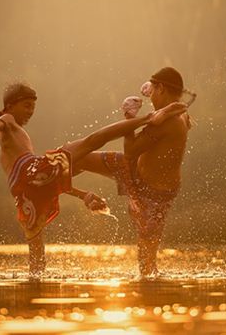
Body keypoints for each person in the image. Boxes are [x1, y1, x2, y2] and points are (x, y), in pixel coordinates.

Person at [0, 82, 187, 278]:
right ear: (10, 106)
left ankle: (33, 293)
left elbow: (46, 184)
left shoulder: (9, 134)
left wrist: (84, 196)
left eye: (32, 107)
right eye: (27, 106)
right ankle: (147, 117)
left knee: (36, 259)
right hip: (32, 170)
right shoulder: (7, 121)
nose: (30, 112)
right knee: (91, 141)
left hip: (24, 192)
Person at [74, 67, 193, 278]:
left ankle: (151, 296)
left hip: (154, 195)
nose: (151, 98)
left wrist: (129, 118)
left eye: (153, 91)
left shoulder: (170, 120)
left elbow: (130, 151)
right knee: (79, 158)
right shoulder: (179, 111)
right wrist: (158, 107)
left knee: (147, 268)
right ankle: (53, 177)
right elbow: (176, 107)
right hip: (135, 171)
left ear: (161, 89)